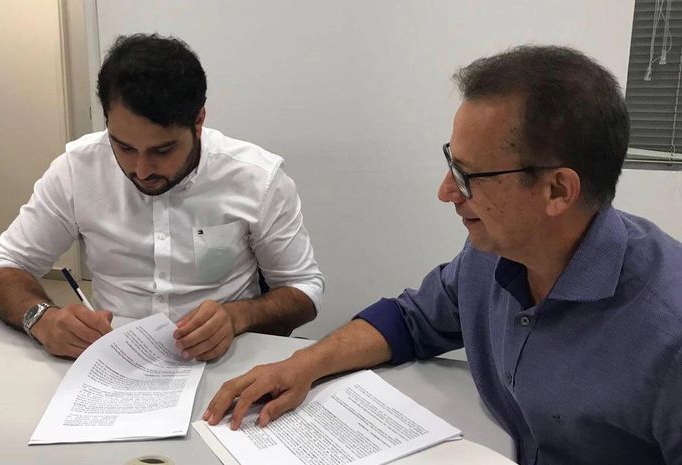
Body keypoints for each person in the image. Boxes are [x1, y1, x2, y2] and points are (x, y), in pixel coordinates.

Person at [203, 45, 682, 465]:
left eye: (469, 176)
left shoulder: (667, 336)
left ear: (557, 190)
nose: (446, 191)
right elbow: (409, 320)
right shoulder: (492, 256)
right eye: (451, 163)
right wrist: (302, 366)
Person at [0, 34, 324, 361]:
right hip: (112, 359)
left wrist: (239, 317)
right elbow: (1, 267)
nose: (142, 170)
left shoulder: (256, 178)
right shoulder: (77, 169)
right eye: (124, 147)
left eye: (162, 150)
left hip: (224, 359)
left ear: (198, 121)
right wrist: (41, 317)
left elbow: (304, 289)